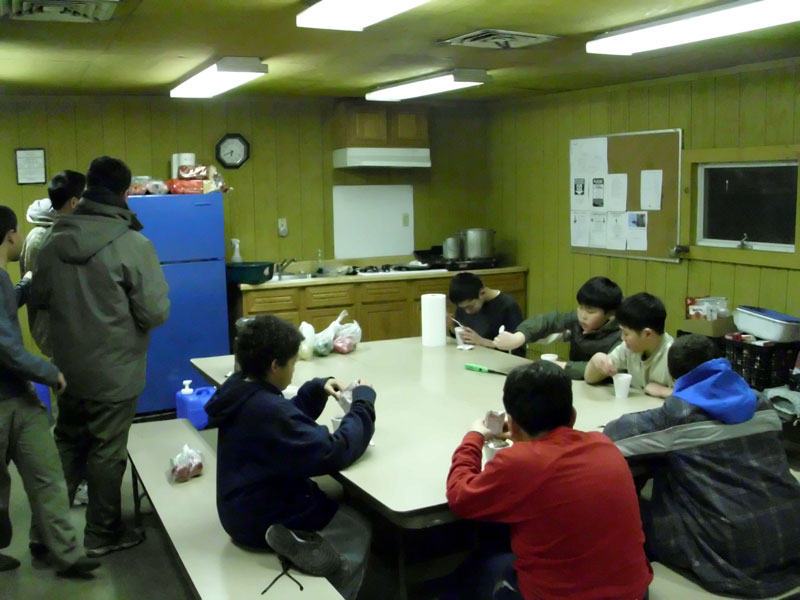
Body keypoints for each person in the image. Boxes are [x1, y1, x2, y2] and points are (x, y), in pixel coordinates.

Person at [31, 156, 170, 558]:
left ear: (87, 189)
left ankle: (44, 535)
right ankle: (102, 534)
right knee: (106, 452)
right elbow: (155, 312)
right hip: (115, 372)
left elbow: (38, 301)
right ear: (125, 194)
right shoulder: (133, 245)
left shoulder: (52, 241)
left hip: (65, 369)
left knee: (66, 446)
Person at [604, 334, 800, 598]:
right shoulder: (761, 403)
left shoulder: (677, 415)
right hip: (792, 535)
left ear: (673, 377)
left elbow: (613, 436)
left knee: (635, 501)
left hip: (733, 556)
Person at [445, 360, 652, 600]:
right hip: (636, 593)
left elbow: (459, 496)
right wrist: (520, 435)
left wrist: (474, 436)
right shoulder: (604, 445)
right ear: (573, 417)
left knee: (477, 568)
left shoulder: (520, 462)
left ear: (512, 424)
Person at [204, 314, 375, 600]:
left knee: (329, 496)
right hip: (260, 515)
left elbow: (284, 425)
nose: (294, 370)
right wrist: (363, 404)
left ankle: (301, 543)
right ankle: (338, 582)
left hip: (237, 505)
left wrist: (315, 390)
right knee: (360, 528)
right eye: (293, 363)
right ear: (275, 366)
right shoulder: (267, 409)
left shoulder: (240, 389)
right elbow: (334, 450)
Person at [0, 206, 99, 577]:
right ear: (11, 235)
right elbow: (5, 347)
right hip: (7, 394)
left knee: (47, 472)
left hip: (19, 395)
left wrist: (28, 284)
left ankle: (66, 554)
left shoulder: (3, 279)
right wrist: (50, 373)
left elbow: (7, 310)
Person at [494, 276, 622, 378]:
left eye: (590, 311)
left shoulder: (623, 334)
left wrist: (562, 366)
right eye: (580, 307)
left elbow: (607, 368)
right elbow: (549, 321)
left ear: (610, 314)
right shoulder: (577, 320)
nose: (583, 315)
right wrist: (519, 336)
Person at [20, 169, 86, 358]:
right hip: (56, 332)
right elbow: (43, 291)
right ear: (74, 203)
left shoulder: (69, 232)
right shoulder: (40, 239)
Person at [584, 292, 674, 398]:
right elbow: (589, 379)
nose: (622, 338)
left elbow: (691, 397)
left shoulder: (674, 355)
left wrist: (664, 391)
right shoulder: (629, 348)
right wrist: (595, 361)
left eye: (626, 333)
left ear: (647, 334)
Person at [448, 272, 525, 356]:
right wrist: (452, 327)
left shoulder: (508, 306)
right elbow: (464, 340)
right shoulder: (466, 302)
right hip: (471, 357)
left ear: (482, 293)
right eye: (463, 308)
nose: (467, 312)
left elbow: (517, 349)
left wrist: (483, 342)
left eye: (470, 307)